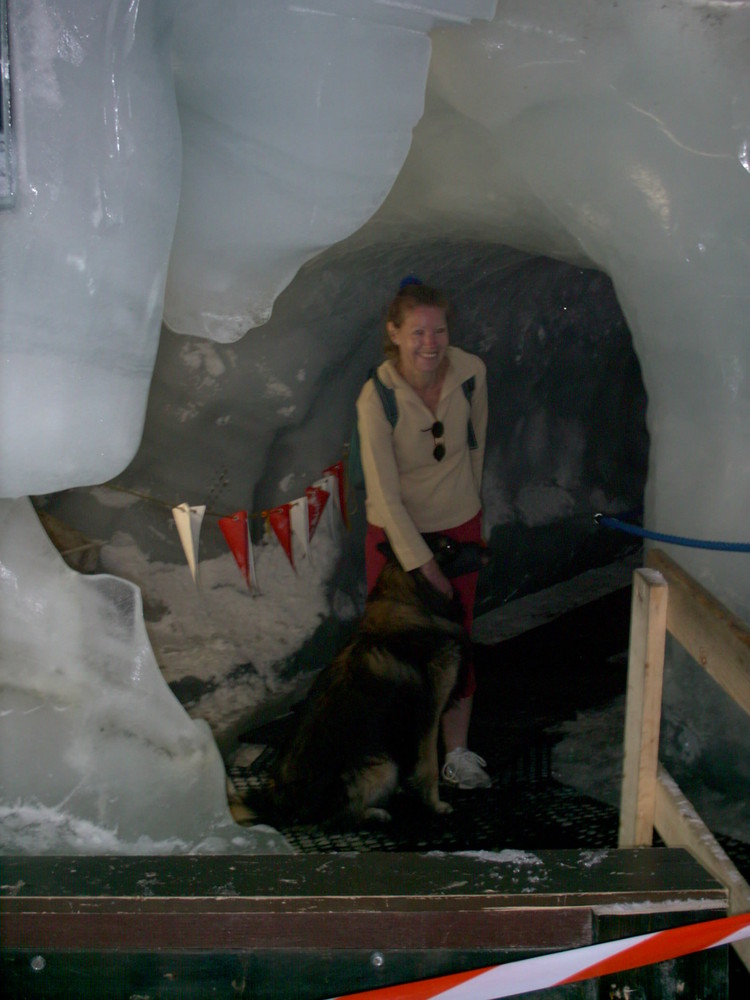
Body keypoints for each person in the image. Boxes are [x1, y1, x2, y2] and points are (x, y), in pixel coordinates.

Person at [356, 277, 491, 790]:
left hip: (458, 526)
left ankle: (456, 752)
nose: (430, 342)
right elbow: (385, 495)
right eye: (417, 331)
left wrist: (468, 513)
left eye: (438, 329)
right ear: (394, 333)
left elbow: (475, 448)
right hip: (395, 538)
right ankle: (395, 758)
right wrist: (425, 566)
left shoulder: (471, 374)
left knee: (457, 642)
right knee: (398, 647)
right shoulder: (377, 398)